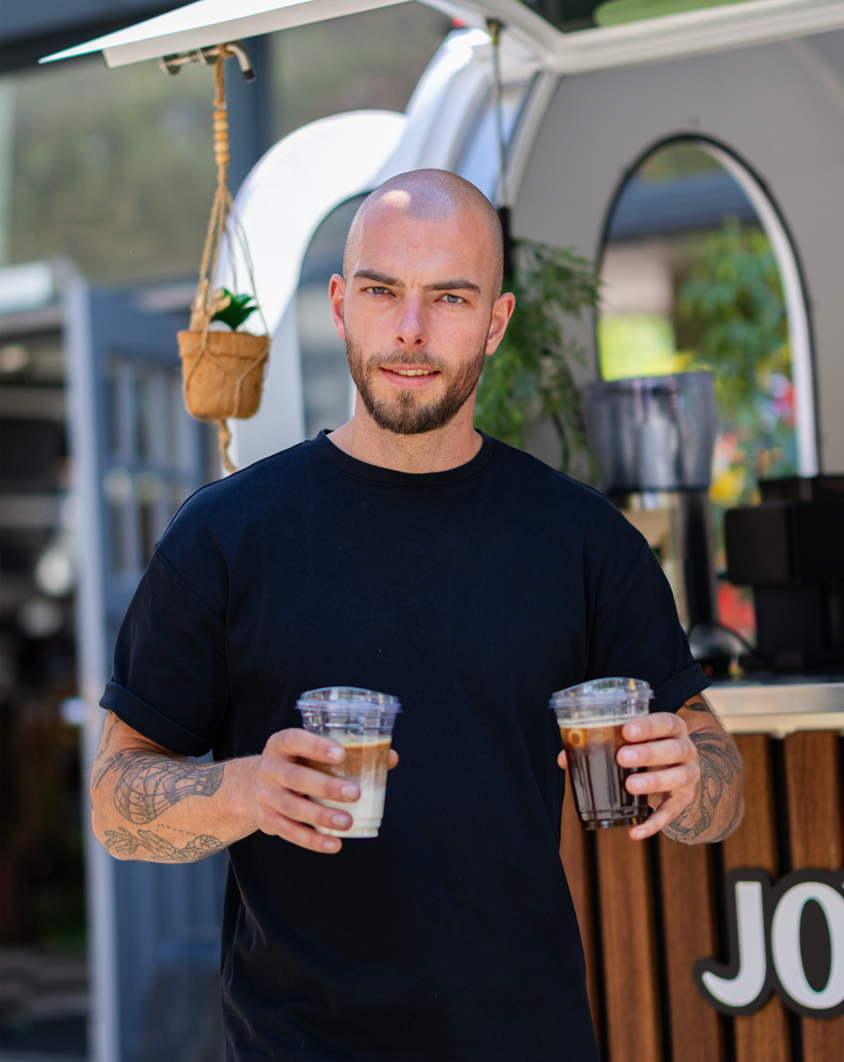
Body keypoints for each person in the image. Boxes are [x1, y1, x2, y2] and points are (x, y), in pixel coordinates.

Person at [89, 169, 744, 1061]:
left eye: (448, 296)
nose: (409, 329)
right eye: (381, 290)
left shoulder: (582, 538)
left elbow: (720, 784)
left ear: (497, 322)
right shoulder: (225, 536)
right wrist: (244, 791)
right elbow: (115, 801)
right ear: (339, 304)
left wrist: (693, 778)